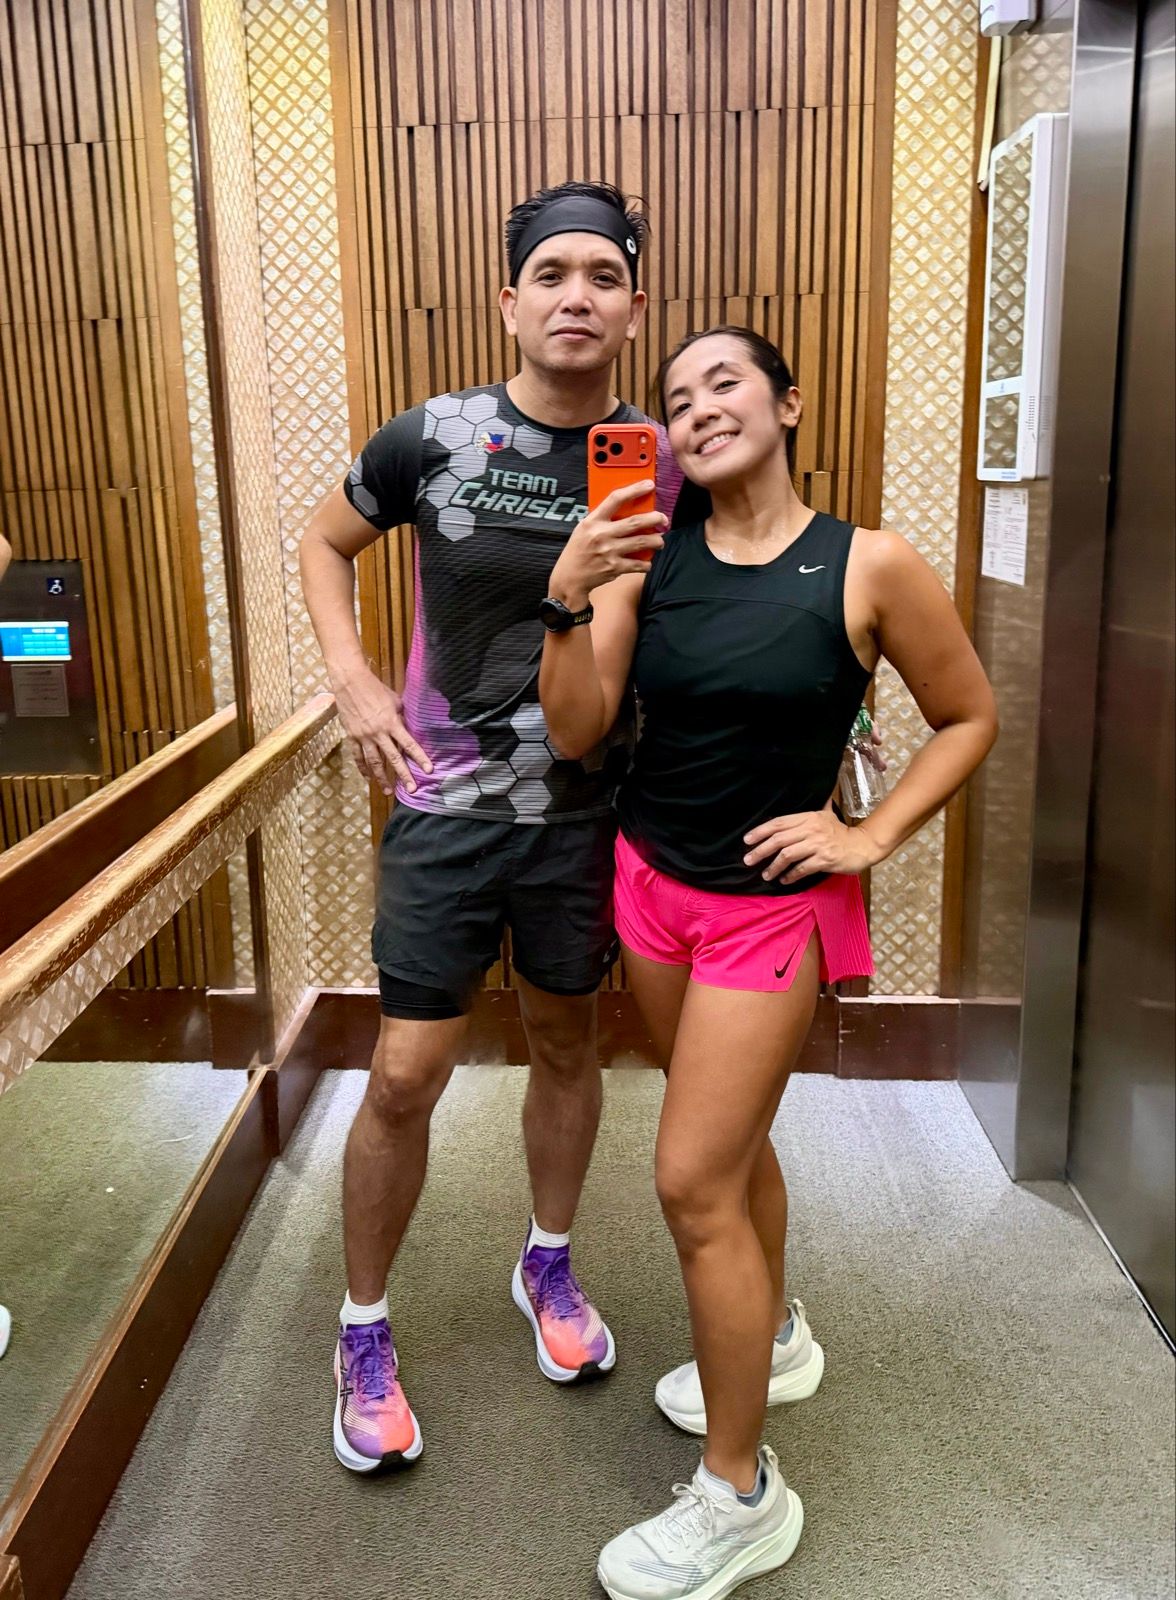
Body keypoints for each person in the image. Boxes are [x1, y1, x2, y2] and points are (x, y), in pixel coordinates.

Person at [539, 325, 998, 1600]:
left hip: (764, 914)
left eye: (724, 383)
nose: (696, 409)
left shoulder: (868, 564)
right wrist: (569, 593)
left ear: (787, 403)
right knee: (734, 1150)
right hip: (650, 888)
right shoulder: (650, 552)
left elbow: (968, 716)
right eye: (676, 398)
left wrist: (870, 834)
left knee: (691, 1180)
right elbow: (577, 729)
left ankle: (741, 1497)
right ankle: (775, 1331)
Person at [300, 181, 704, 1474]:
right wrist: (353, 682)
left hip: (589, 815)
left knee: (567, 1045)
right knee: (405, 1075)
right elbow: (323, 543)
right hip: (447, 806)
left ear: (633, 307)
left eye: (603, 275)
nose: (577, 296)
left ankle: (548, 1263)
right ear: (510, 301)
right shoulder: (437, 437)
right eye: (552, 274)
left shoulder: (660, 457)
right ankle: (363, 1329)